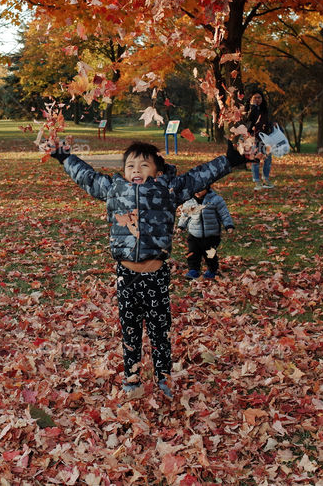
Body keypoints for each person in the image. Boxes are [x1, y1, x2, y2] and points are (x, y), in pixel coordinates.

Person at [48, 138, 255, 398]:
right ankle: (132, 378)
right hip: (127, 276)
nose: (136, 170)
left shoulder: (168, 189)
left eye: (143, 165)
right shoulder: (114, 188)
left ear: (157, 171)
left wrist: (230, 161)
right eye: (130, 165)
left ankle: (163, 376)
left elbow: (198, 177)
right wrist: (64, 157)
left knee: (159, 329)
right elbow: (87, 177)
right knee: (130, 329)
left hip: (156, 276)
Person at [177, 185, 234, 280]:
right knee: (192, 253)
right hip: (194, 234)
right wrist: (181, 226)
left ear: (207, 188)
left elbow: (224, 214)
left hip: (211, 234)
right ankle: (193, 269)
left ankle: (212, 270)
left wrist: (229, 225)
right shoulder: (189, 201)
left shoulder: (215, 199)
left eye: (200, 189)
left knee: (210, 254)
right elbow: (185, 216)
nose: (197, 191)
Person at [247, 90, 274, 190]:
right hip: (254, 137)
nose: (258, 99)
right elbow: (248, 119)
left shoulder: (264, 109)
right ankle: (256, 181)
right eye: (255, 97)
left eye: (259, 97)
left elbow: (266, 121)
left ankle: (266, 179)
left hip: (265, 137)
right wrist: (252, 106)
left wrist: (272, 125)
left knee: (268, 158)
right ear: (251, 99)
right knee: (256, 159)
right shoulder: (249, 109)